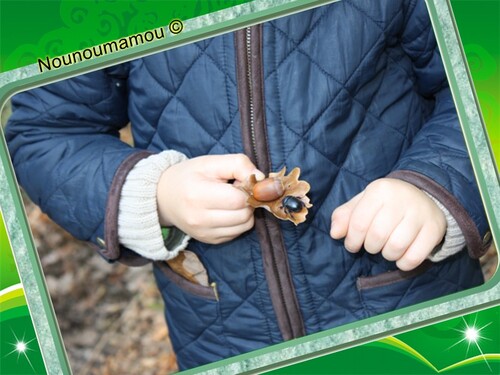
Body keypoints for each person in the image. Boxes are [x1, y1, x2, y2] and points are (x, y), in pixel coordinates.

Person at [6, 0, 491, 370]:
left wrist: (436, 187)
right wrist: (157, 193)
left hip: (410, 307)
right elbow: (47, 130)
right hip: (223, 335)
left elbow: (476, 68)